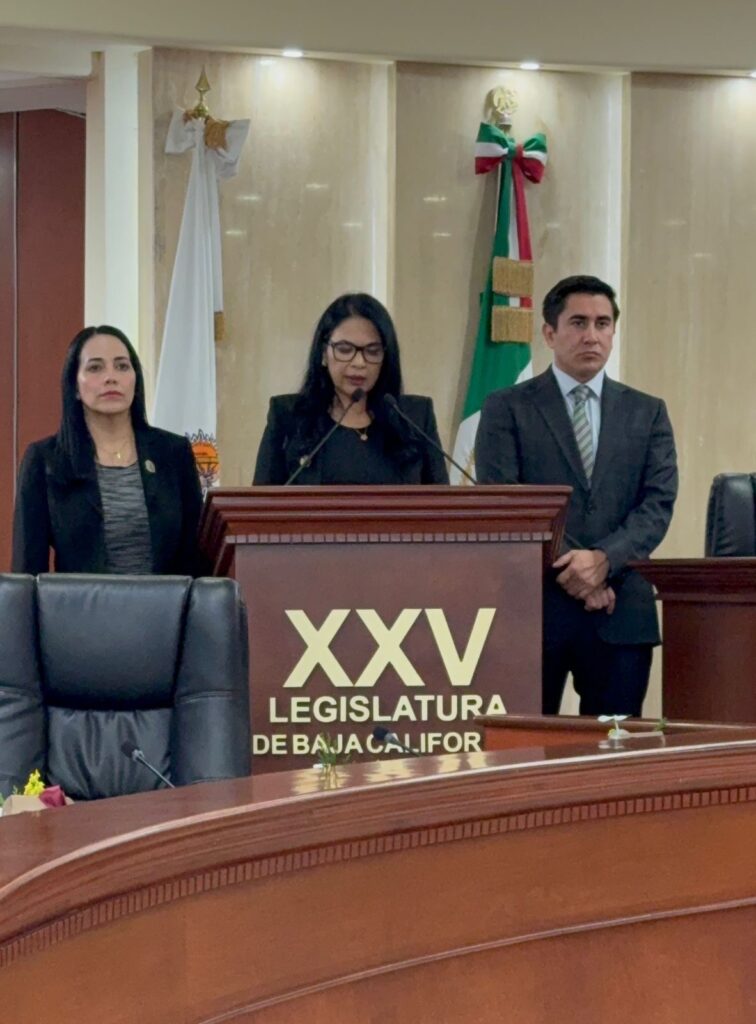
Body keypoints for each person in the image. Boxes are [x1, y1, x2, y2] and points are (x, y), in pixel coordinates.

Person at [475, 275, 678, 717]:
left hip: (621, 610)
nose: (592, 335)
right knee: (524, 750)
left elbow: (657, 504)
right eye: (579, 322)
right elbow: (504, 501)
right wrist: (576, 570)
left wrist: (604, 560)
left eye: (603, 324)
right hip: (535, 609)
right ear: (549, 333)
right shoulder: (507, 407)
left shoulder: (647, 412)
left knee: (615, 751)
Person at [13, 325, 203, 575]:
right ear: (74, 386)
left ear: (135, 380)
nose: (111, 377)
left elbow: (197, 559)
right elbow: (27, 571)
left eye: (122, 366)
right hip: (79, 602)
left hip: (167, 601)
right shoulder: (45, 460)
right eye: (95, 368)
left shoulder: (174, 454)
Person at [253, 293, 449, 485]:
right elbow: (261, 503)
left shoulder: (414, 418)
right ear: (323, 353)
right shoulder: (288, 417)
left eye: (372, 352)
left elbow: (443, 502)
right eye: (345, 350)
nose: (359, 363)